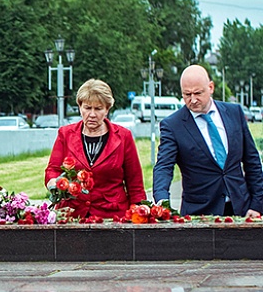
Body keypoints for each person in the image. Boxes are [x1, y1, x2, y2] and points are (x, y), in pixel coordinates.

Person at [153, 65, 263, 217]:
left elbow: (252, 161)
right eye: (187, 94)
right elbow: (164, 166)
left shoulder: (234, 113)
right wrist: (162, 201)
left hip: (241, 209)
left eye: (198, 93)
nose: (193, 100)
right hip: (199, 214)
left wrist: (257, 204)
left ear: (211, 87)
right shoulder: (172, 125)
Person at [45, 79, 145, 219]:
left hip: (112, 216)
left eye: (98, 109)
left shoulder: (124, 137)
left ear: (107, 109)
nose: (92, 114)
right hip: (72, 214)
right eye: (87, 108)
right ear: (80, 107)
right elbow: (53, 170)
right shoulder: (65, 134)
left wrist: (139, 212)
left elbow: (135, 184)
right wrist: (54, 184)